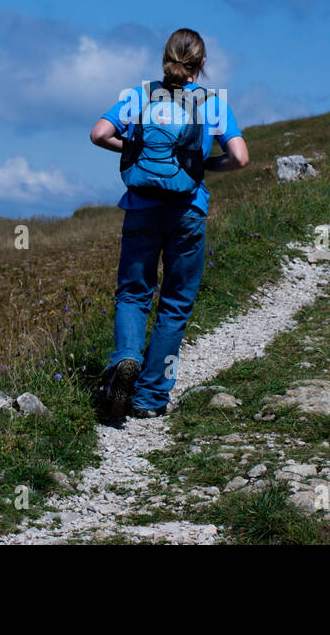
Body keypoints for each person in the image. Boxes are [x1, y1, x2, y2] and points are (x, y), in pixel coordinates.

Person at [88, 29, 249, 420]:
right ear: (202, 63)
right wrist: (206, 165)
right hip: (187, 211)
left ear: (165, 57)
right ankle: (149, 398)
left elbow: (98, 134)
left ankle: (126, 358)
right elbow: (241, 158)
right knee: (175, 304)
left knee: (133, 294)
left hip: (141, 209)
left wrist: (135, 148)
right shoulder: (211, 104)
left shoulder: (139, 96)